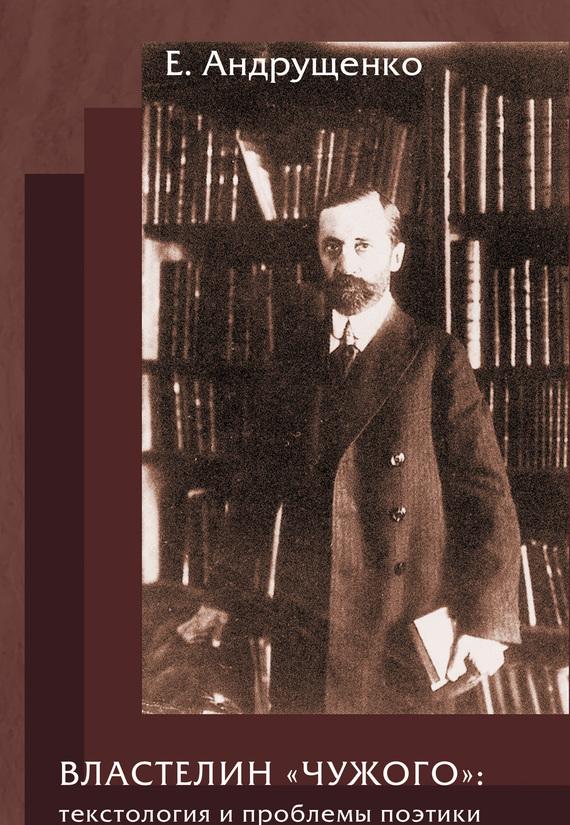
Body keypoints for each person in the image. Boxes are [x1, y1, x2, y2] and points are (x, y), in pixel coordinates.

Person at [181, 186, 521, 714]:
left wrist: (485, 623)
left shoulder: (436, 357)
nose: (347, 263)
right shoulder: (294, 357)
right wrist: (221, 597)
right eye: (332, 247)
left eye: (364, 245)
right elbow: (254, 492)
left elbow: (486, 496)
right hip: (307, 628)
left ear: (396, 255)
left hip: (400, 627)